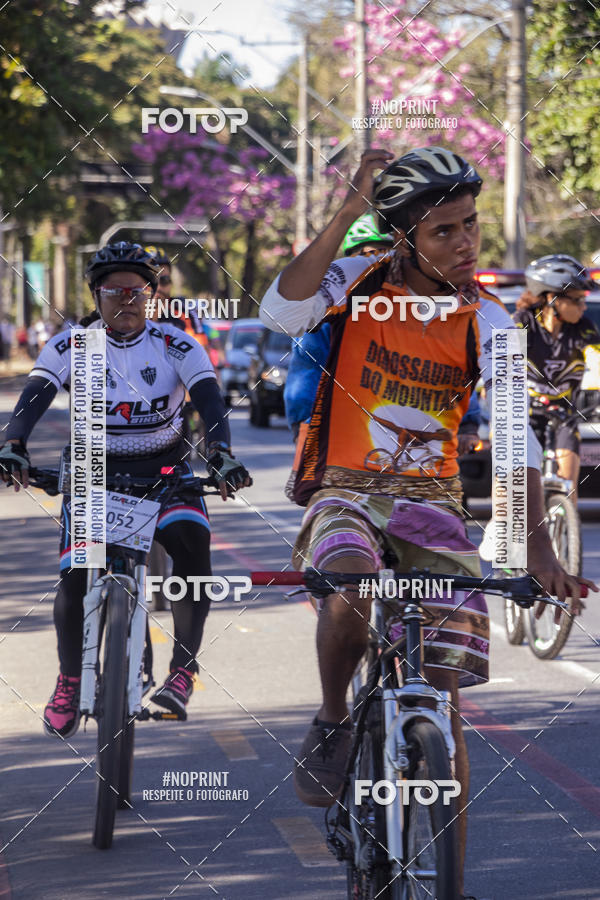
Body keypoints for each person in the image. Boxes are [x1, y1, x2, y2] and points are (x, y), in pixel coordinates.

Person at [260, 147, 593, 899]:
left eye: (471, 225)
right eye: (445, 231)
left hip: (435, 507)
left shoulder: (490, 318)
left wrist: (537, 545)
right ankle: (336, 717)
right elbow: (281, 310)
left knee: (441, 696)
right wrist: (345, 210)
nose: (467, 243)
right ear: (403, 237)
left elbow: (517, 437)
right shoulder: (359, 280)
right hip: (345, 488)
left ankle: (450, 881)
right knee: (347, 573)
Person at [0, 241, 252, 737]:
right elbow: (35, 397)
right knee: (77, 573)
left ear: (152, 295)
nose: (126, 301)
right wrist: (13, 445)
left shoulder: (176, 344)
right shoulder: (74, 345)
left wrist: (220, 453)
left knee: (194, 543)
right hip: (94, 469)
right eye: (113, 291)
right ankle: (70, 679)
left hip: (165, 471)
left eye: (137, 291)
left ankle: (182, 671)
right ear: (96, 295)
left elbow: (209, 401)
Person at [514, 254, 600, 505]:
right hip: (524, 415)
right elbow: (501, 365)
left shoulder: (584, 329)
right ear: (552, 299)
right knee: (514, 492)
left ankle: (565, 531)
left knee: (568, 486)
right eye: (577, 300)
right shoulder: (522, 323)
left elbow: (596, 362)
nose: (583, 307)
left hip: (564, 413)